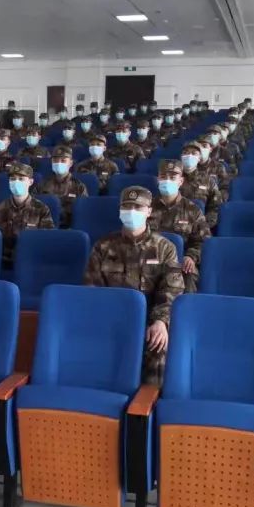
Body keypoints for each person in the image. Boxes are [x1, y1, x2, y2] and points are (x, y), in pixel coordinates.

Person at [84, 187, 184, 384]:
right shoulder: (103, 246)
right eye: (127, 207)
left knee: (158, 347)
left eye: (138, 207)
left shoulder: (165, 248)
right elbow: (92, 289)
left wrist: (160, 321)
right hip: (112, 319)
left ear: (149, 211)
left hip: (149, 322)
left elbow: (171, 289)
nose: (131, 212)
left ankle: (148, 401)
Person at [149, 160, 209, 292]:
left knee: (189, 276)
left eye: (172, 177)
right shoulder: (146, 208)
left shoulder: (193, 210)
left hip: (180, 262)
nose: (167, 180)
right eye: (163, 177)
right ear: (158, 179)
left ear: (181, 181)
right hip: (149, 259)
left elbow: (203, 240)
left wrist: (191, 256)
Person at [0, 162, 54, 270]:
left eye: (21, 179)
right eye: (12, 179)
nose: (16, 182)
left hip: (31, 263)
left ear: (30, 182)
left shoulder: (42, 210)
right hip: (3, 263)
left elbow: (47, 240)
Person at [36, 145, 88, 228]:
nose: (58, 163)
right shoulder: (42, 185)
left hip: (69, 229)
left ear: (70, 163)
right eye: (55, 161)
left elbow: (83, 213)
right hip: (45, 228)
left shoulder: (79, 187)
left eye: (63, 160)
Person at [177, 145, 223, 229]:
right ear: (181, 157)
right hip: (174, 225)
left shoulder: (208, 180)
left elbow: (216, 207)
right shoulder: (172, 179)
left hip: (200, 226)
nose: (189, 156)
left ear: (199, 158)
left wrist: (203, 225)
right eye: (185, 153)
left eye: (194, 153)